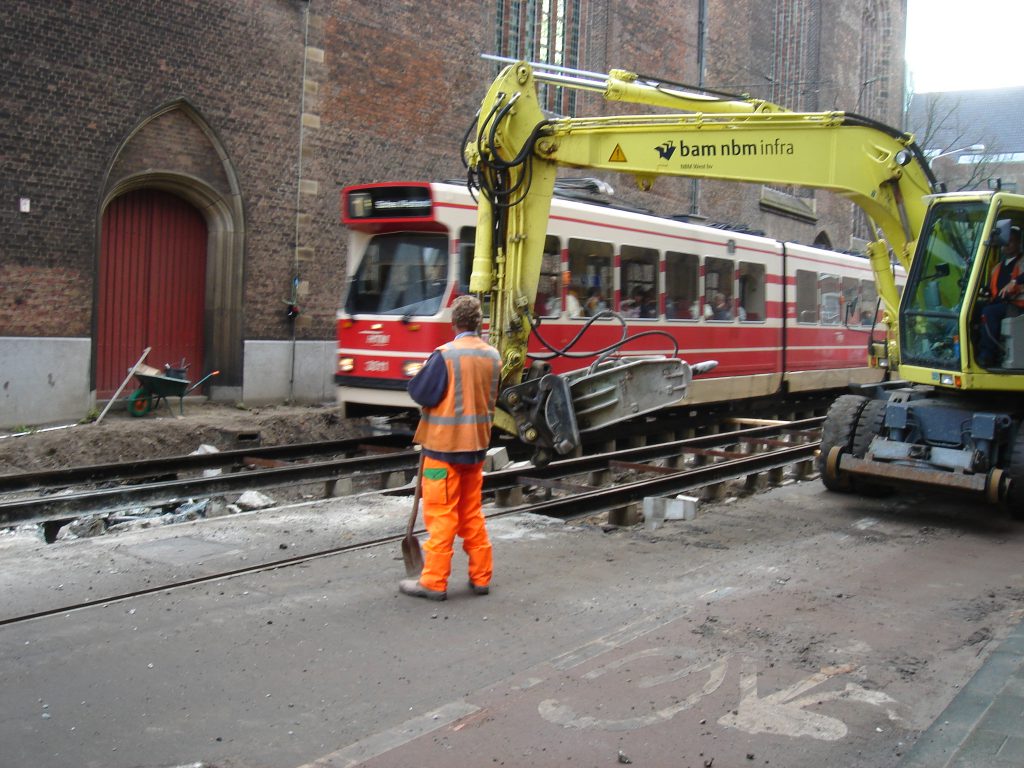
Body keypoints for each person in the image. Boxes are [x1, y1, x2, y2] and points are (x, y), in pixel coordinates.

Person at [400, 295, 501, 601]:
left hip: (443, 450)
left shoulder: (445, 355)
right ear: (480, 323)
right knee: (471, 513)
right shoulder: (493, 356)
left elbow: (421, 393)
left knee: (441, 515)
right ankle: (481, 577)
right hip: (476, 449)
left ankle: (433, 581)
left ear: (454, 323)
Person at [978, 225, 1024, 367]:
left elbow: (1019, 281)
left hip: (1016, 306)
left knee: (989, 312)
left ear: (1018, 243)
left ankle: (988, 355)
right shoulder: (997, 267)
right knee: (974, 308)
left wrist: (1015, 282)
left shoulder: (1022, 262)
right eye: (1005, 242)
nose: (1007, 245)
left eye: (1011, 241)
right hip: (1000, 303)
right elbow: (993, 290)